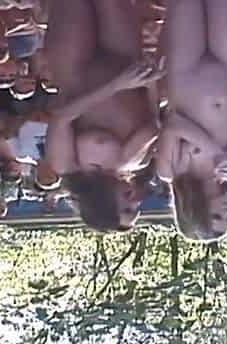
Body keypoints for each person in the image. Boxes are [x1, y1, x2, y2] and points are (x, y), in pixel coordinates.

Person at [45, 0, 164, 232]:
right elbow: (154, 121)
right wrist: (151, 84)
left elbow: (61, 117)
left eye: (127, 209)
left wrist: (116, 86)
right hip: (123, 60)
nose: (135, 202)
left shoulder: (68, 166)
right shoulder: (137, 162)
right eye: (137, 209)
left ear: (102, 205)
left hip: (74, 66)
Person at [156, 0, 227, 242]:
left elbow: (173, 124)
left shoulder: (171, 171)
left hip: (184, 74)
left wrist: (215, 150)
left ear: (195, 211)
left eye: (218, 216)